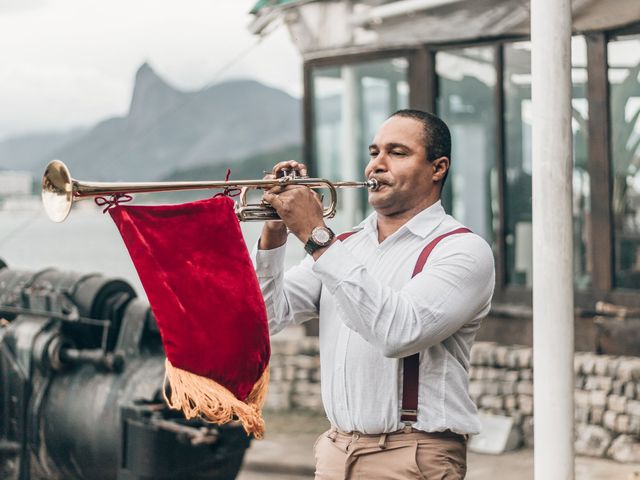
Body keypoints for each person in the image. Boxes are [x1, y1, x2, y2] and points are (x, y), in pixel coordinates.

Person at [251, 109, 495, 479]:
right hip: (336, 451)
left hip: (412, 454)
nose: (376, 166)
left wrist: (316, 236)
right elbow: (266, 319)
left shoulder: (461, 250)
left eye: (396, 153)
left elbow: (398, 333)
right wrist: (275, 233)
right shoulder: (344, 246)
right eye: (373, 153)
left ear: (438, 167)